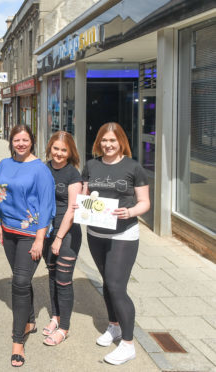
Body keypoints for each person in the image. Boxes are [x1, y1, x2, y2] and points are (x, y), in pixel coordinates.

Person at [82, 122, 150, 365]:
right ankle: (114, 326)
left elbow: (144, 202)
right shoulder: (91, 165)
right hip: (96, 234)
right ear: (98, 142)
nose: (108, 145)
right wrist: (82, 205)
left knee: (116, 285)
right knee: (106, 284)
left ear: (121, 141)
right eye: (104, 140)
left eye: (112, 140)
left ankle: (128, 344)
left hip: (123, 234)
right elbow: (85, 195)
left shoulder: (133, 167)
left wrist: (130, 212)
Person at [0, 124, 55, 367]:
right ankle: (29, 320)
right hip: (8, 231)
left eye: (25, 140)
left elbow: (47, 206)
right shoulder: (5, 164)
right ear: (11, 142)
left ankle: (18, 341)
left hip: (30, 233)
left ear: (32, 141)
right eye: (17, 140)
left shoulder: (40, 170)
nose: (20, 144)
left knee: (19, 283)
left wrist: (41, 238)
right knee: (22, 279)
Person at [41, 131, 82, 347]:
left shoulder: (73, 175)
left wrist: (58, 238)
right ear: (50, 147)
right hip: (46, 231)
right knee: (52, 274)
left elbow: (72, 211)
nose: (58, 153)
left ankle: (64, 327)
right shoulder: (43, 168)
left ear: (70, 152)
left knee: (64, 280)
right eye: (55, 148)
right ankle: (55, 317)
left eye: (63, 150)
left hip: (66, 234)